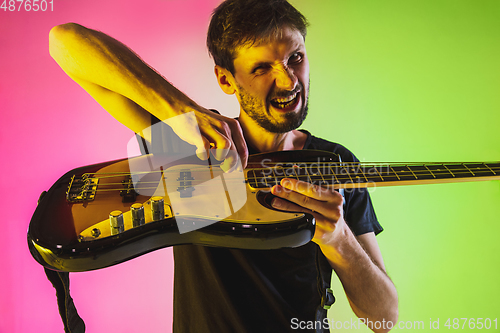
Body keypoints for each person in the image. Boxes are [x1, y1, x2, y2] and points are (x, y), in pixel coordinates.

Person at [49, 0, 398, 332]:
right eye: (261, 68)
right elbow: (64, 42)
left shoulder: (333, 163)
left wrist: (339, 239)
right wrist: (179, 112)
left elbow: (384, 318)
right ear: (226, 79)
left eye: (296, 58)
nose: (290, 81)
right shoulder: (191, 147)